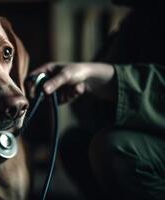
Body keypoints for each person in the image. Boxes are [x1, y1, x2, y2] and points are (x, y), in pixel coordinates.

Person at [27, 1, 165, 200]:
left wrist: (110, 79)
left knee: (116, 147)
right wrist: (85, 85)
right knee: (74, 142)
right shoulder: (138, 21)